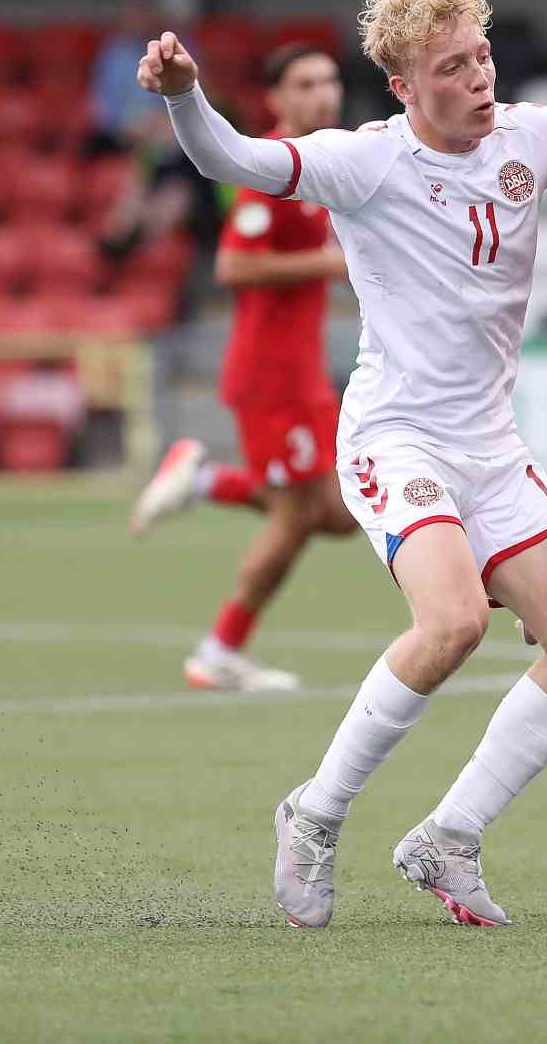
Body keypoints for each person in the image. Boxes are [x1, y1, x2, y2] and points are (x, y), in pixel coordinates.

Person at [137, 0, 547, 929]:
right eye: (451, 67)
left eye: (481, 55)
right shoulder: (365, 163)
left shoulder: (531, 136)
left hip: (489, 442)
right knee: (451, 624)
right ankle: (313, 814)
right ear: (402, 85)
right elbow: (227, 158)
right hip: (395, 435)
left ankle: (450, 836)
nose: (479, 78)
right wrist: (186, 95)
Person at [130, 43, 357, 692]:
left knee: (336, 514)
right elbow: (232, 267)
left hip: (298, 370)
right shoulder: (271, 170)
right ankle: (218, 649)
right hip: (271, 375)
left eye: (330, 79)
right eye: (307, 83)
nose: (325, 94)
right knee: (299, 515)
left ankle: (203, 480)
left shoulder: (316, 166)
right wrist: (332, 264)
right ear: (276, 100)